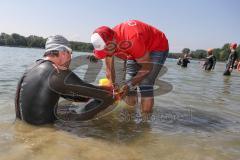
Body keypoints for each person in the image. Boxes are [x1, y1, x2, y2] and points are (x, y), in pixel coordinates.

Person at [15, 35, 115, 125]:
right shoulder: (58, 72)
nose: (71, 59)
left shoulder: (30, 68)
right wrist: (116, 91)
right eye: (70, 54)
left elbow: (73, 95)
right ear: (63, 53)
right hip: (46, 132)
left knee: (67, 108)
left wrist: (87, 96)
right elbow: (104, 94)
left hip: (23, 128)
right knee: (109, 98)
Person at [90, 20, 169, 114]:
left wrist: (129, 84)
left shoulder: (132, 40)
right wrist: (113, 85)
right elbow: (109, 69)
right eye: (103, 51)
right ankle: (130, 118)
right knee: (128, 84)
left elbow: (147, 68)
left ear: (114, 40)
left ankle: (145, 122)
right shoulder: (109, 42)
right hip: (135, 48)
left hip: (156, 46)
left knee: (145, 84)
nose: (106, 53)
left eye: (107, 49)